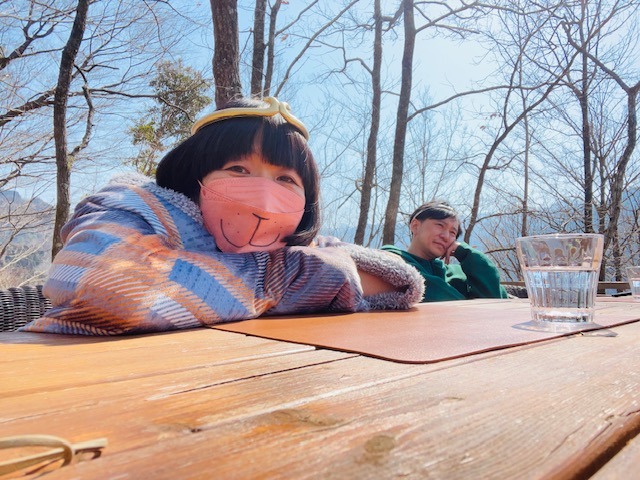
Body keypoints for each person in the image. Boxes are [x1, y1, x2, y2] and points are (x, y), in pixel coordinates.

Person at [22, 97, 423, 335]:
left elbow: (397, 279)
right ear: (195, 176)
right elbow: (104, 286)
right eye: (238, 169)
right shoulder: (134, 207)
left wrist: (312, 270)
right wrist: (285, 278)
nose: (264, 193)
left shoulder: (294, 241)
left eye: (286, 178)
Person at [381, 201, 508, 302]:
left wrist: (467, 254)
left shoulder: (458, 273)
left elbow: (495, 302)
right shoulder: (392, 260)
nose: (446, 236)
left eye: (453, 232)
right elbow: (422, 289)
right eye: (440, 225)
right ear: (415, 226)